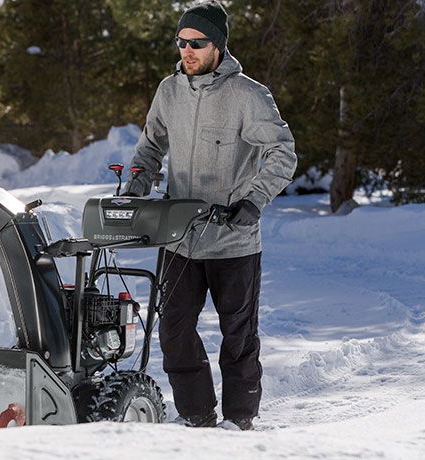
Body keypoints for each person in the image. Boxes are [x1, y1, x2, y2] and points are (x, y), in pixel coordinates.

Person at [122, 1, 297, 431]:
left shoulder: (248, 96)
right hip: (179, 236)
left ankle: (239, 420)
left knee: (237, 337)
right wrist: (134, 189)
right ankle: (197, 417)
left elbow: (283, 152)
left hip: (233, 240)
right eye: (182, 42)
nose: (187, 50)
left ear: (217, 45)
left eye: (197, 43)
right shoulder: (169, 91)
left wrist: (253, 202)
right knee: (174, 332)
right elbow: (149, 148)